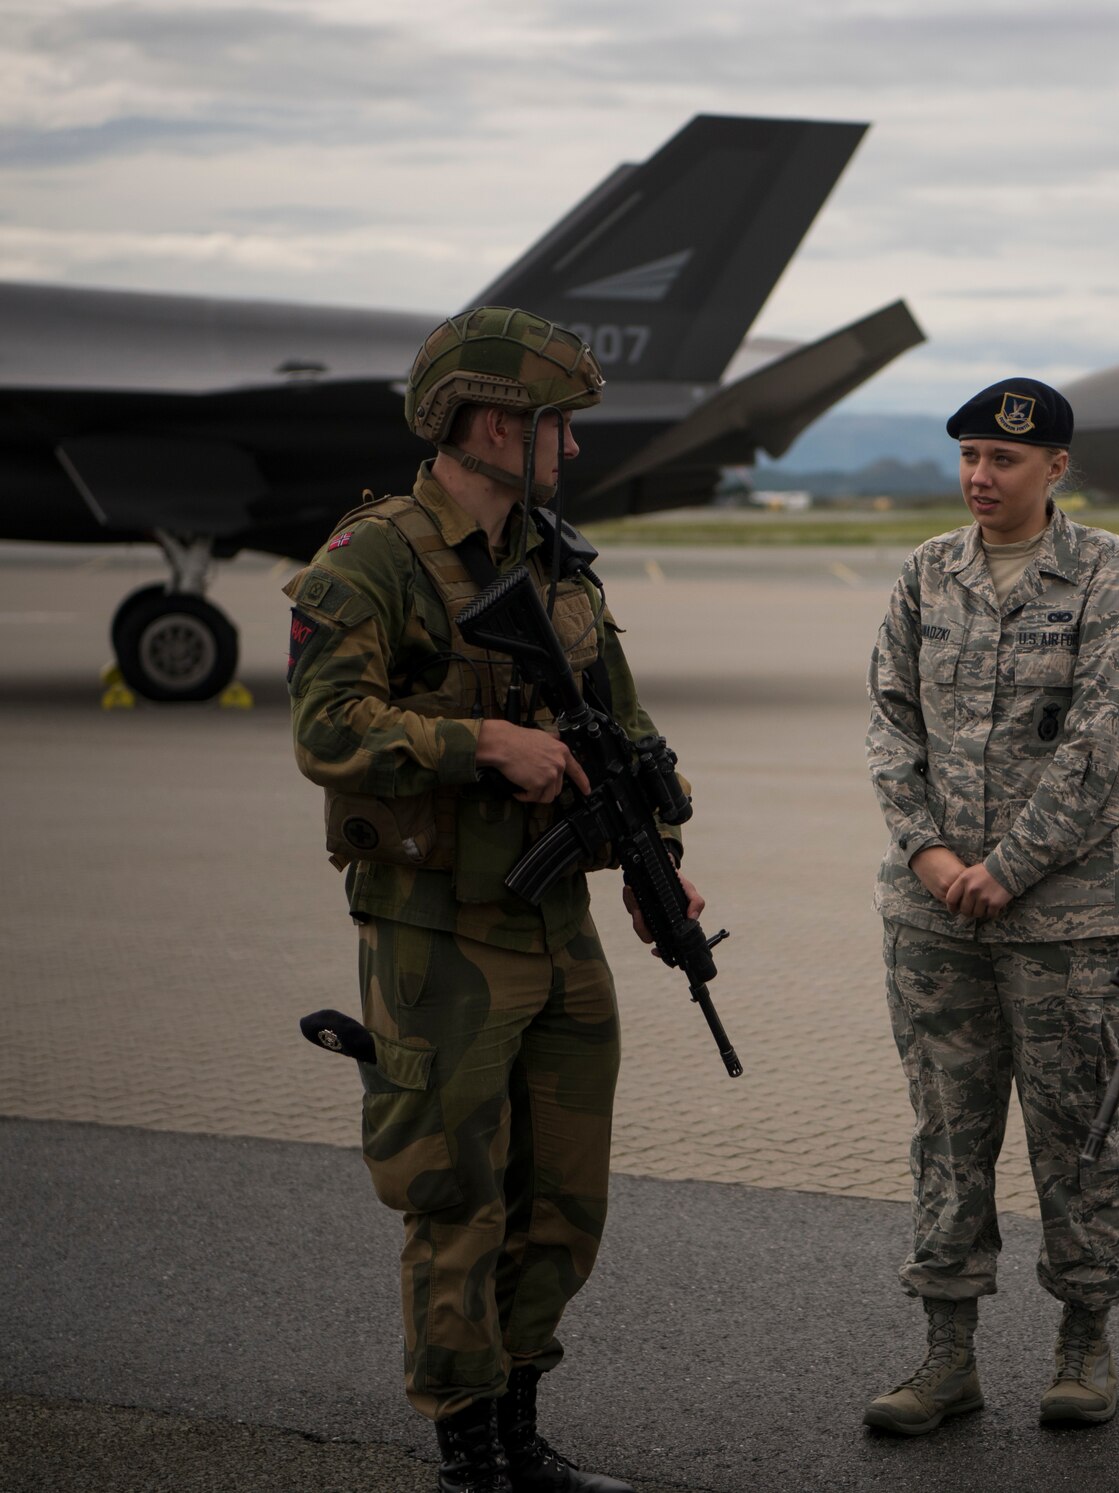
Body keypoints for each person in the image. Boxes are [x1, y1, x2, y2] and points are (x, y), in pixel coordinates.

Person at [285, 307, 698, 1493]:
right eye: (554, 426)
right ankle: (469, 1448)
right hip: (439, 930)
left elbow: (620, 723)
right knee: (454, 1192)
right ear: (490, 422)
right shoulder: (371, 557)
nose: (568, 448)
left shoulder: (555, 556)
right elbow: (324, 728)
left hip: (556, 923)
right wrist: (481, 743)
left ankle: (522, 1427)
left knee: (562, 1197)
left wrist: (655, 852)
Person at [863, 378, 1119, 1436]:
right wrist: (932, 854)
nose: (981, 476)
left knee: (1076, 1136)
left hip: (1066, 924)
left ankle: (1085, 1342)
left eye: (1003, 459)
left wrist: (1008, 866)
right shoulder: (923, 574)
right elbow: (890, 726)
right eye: (969, 457)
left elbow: (1110, 744)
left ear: (1054, 468)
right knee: (946, 1134)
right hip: (933, 920)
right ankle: (946, 1354)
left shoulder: (1106, 577)